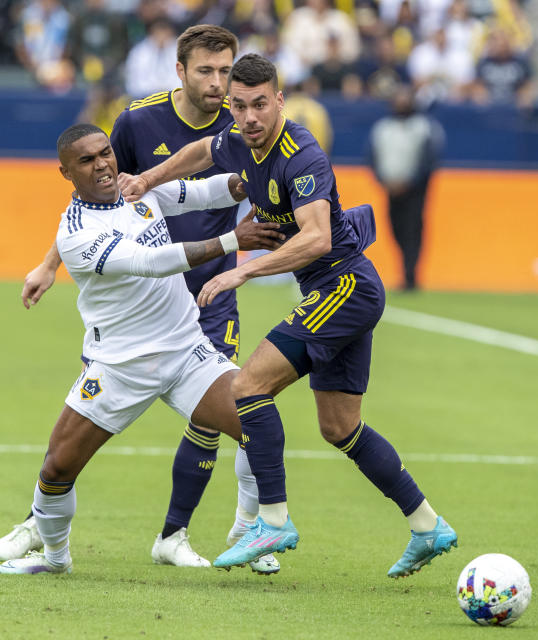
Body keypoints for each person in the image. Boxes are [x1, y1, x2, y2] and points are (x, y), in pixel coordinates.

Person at [119, 53, 458, 578]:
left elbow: (318, 237)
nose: (250, 117)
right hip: (336, 290)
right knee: (340, 427)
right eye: (239, 106)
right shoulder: (238, 139)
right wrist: (148, 178)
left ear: (279, 100)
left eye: (260, 104)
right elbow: (198, 152)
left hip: (345, 285)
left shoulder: (301, 155)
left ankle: (272, 519)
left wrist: (241, 272)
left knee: (248, 387)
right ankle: (427, 525)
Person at [0, 25, 287, 574]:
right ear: (66, 175)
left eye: (106, 154)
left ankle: (252, 533)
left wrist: (256, 180)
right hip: (122, 362)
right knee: (58, 467)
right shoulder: (77, 232)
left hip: (184, 348)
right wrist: (234, 240)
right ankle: (52, 552)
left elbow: (200, 189)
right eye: (88, 161)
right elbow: (156, 261)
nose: (104, 164)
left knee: (259, 423)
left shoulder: (138, 188)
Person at [369, 86, 443, 290]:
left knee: (413, 229)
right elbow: (373, 157)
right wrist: (384, 180)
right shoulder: (383, 128)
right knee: (395, 228)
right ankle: (406, 267)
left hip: (415, 190)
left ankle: (410, 275)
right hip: (390, 188)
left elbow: (429, 159)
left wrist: (410, 181)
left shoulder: (423, 127)